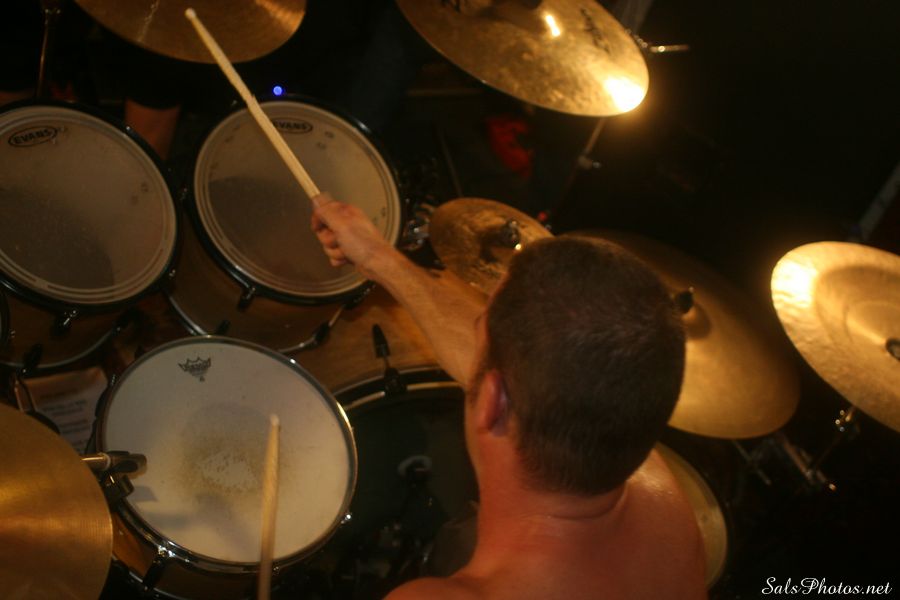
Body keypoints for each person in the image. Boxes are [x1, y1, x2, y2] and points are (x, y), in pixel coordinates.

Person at [310, 193, 707, 599]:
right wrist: (378, 257)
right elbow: (535, 369)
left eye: (479, 325)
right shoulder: (662, 498)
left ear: (493, 402)